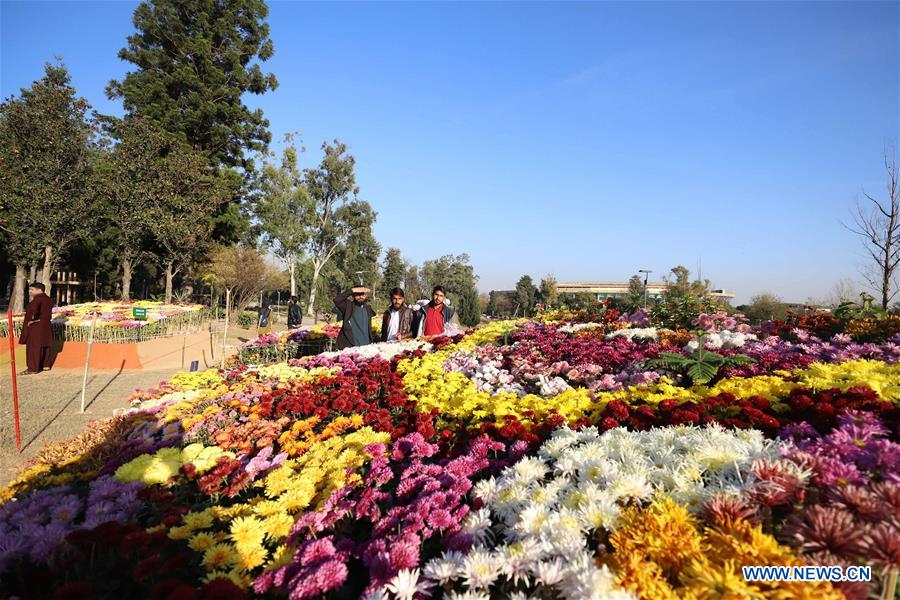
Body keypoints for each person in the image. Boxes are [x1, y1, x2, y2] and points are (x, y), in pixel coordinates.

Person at [18, 282, 55, 374]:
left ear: (39, 290)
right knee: (45, 345)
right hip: (46, 325)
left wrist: (32, 319)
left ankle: (32, 369)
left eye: (32, 289)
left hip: (37, 326)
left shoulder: (38, 299)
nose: (30, 291)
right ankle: (45, 365)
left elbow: (34, 310)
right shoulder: (48, 299)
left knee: (34, 347)